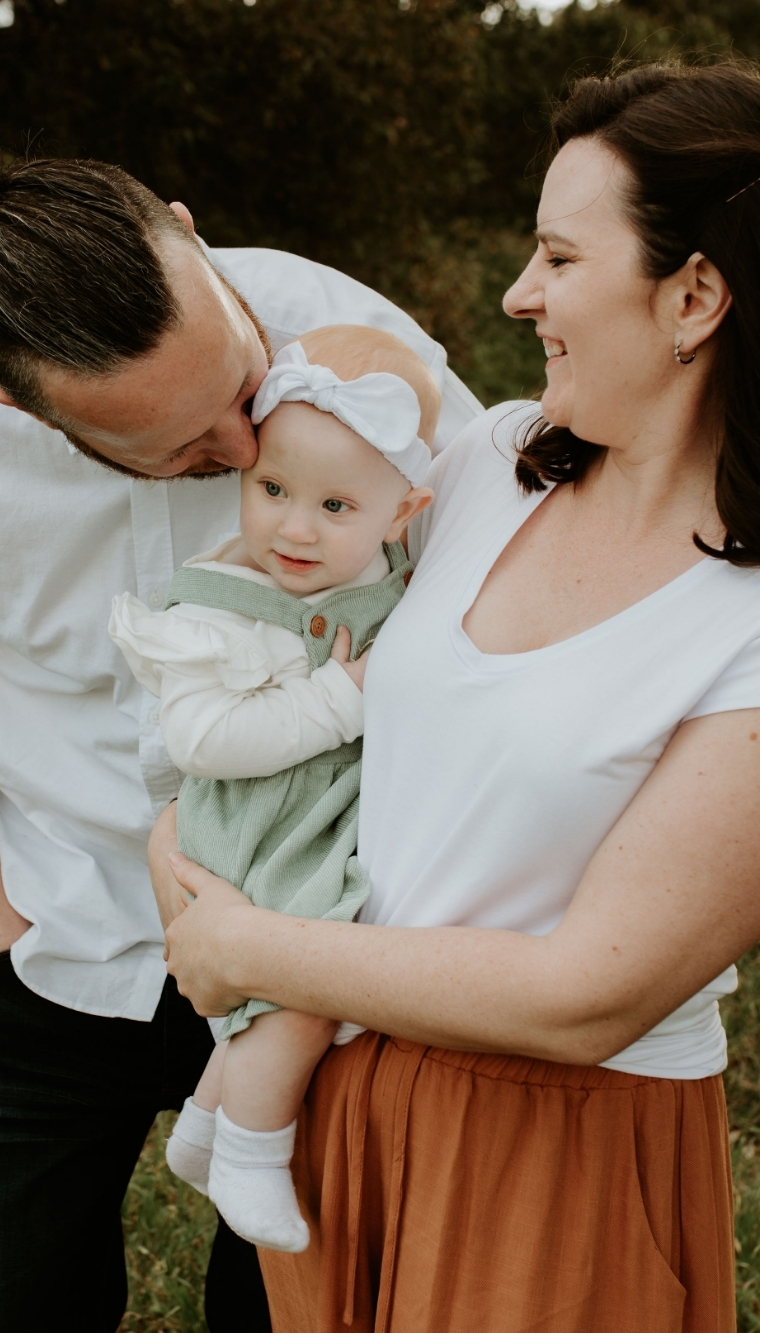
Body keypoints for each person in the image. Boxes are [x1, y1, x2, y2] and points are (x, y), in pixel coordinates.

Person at [0, 126, 485, 1331]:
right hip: (50, 927)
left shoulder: (363, 347)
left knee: (292, 1307)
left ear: (182, 227)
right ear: (14, 405)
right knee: (12, 1306)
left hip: (315, 932)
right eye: (182, 451)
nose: (244, 451)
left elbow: (487, 591)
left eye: (241, 390)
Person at [158, 60, 760, 1331]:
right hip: (343, 1092)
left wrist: (247, 949)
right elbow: (301, 604)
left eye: (554, 257)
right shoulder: (486, 463)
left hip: (552, 1146)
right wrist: (182, 839)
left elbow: (585, 992)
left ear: (693, 295)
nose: (514, 294)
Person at [109, 326, 437, 1254]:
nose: (294, 528)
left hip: (319, 818)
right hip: (252, 822)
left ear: (403, 509)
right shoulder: (223, 606)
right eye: (274, 490)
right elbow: (200, 738)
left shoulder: (390, 573)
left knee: (320, 970)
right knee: (307, 971)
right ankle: (254, 1150)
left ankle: (211, 1119)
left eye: (335, 504)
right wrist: (340, 698)